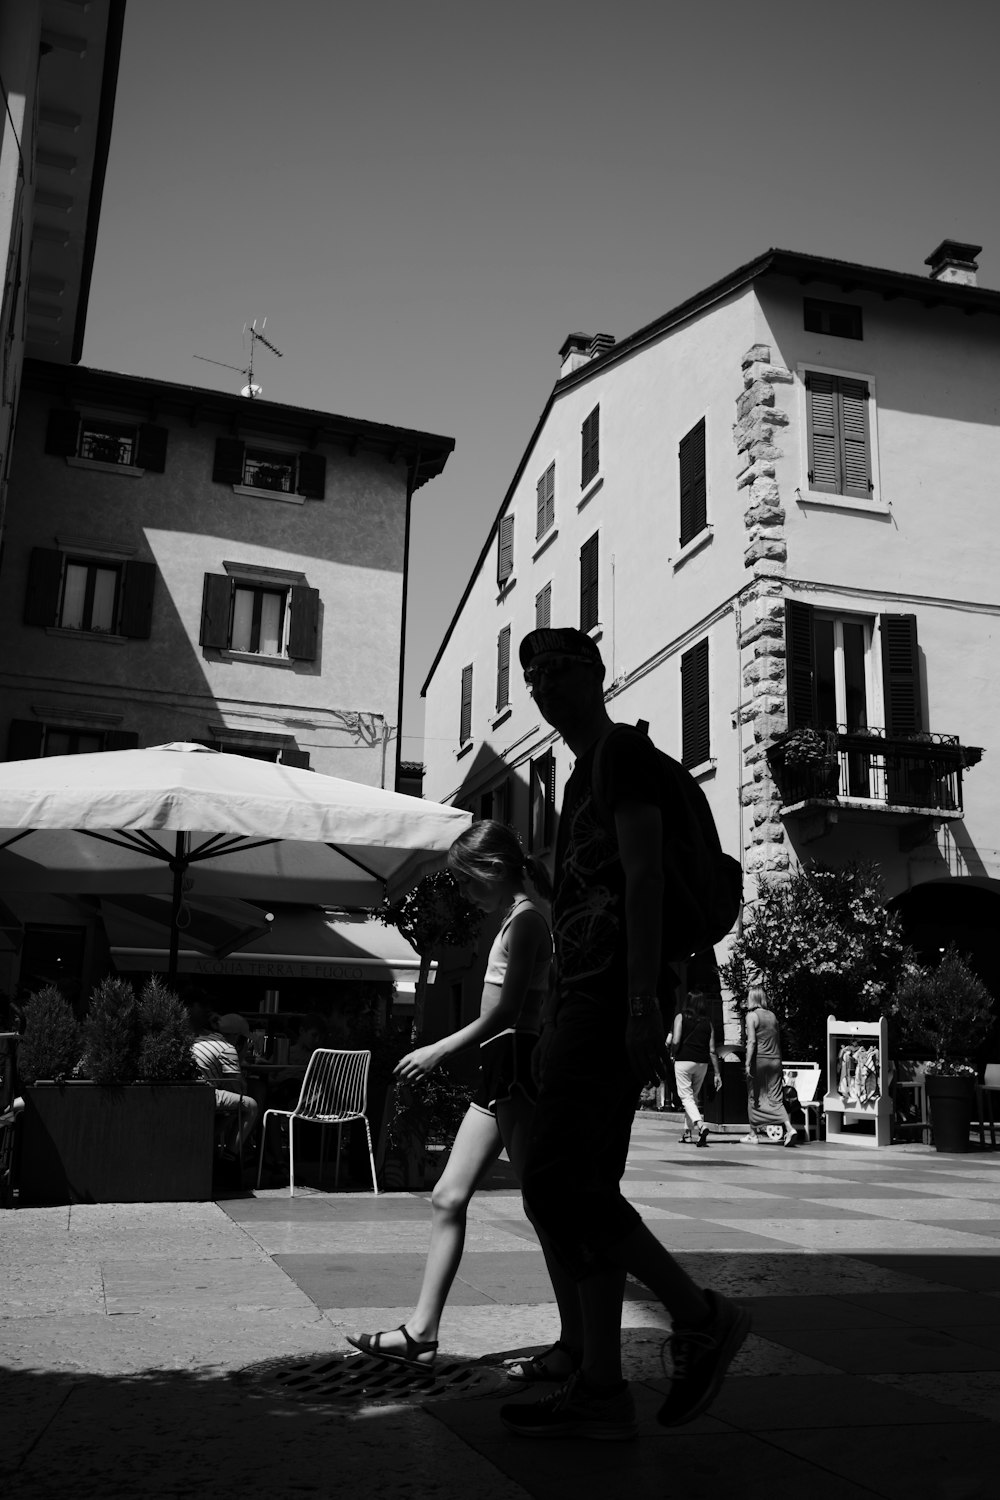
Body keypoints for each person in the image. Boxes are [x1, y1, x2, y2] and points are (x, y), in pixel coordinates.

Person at [500, 627, 750, 1442]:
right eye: (532, 673)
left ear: (597, 674)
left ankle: (696, 1313)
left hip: (612, 1000)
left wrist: (642, 1002)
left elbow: (642, 876)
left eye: (559, 669)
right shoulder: (575, 780)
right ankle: (602, 1382)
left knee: (555, 1183)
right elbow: (583, 901)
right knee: (582, 1189)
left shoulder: (621, 758)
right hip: (584, 998)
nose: (542, 684)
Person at [348, 819, 583, 1377]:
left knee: (544, 1208)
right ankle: (421, 1333)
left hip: (516, 1070)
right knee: (448, 1197)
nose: (467, 895)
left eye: (470, 883)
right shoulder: (514, 919)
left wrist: (437, 1049)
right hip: (503, 1072)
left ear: (495, 872)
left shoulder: (526, 923)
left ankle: (577, 1345)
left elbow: (505, 1012)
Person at [184, 990, 258, 1157]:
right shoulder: (225, 1047)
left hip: (184, 1092)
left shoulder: (192, 1038)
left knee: (235, 1104)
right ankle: (230, 1154)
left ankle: (211, 1141)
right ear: (238, 1038)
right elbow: (238, 1087)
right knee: (250, 1105)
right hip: (205, 1094)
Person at [743, 983, 797, 1148]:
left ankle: (753, 1134)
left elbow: (751, 1041)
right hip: (775, 1060)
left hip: (759, 1061)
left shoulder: (751, 1016)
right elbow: (778, 1040)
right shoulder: (773, 1016)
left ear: (752, 998)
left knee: (755, 1096)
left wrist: (746, 1063)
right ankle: (788, 1127)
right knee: (775, 1097)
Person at [671, 991, 722, 1147]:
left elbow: (676, 1040)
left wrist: (673, 1053)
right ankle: (687, 1134)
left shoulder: (680, 1017)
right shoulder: (708, 1023)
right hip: (702, 1063)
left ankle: (700, 1125)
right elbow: (712, 1049)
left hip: (684, 1061)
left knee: (686, 1097)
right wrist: (717, 1073)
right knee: (692, 1098)